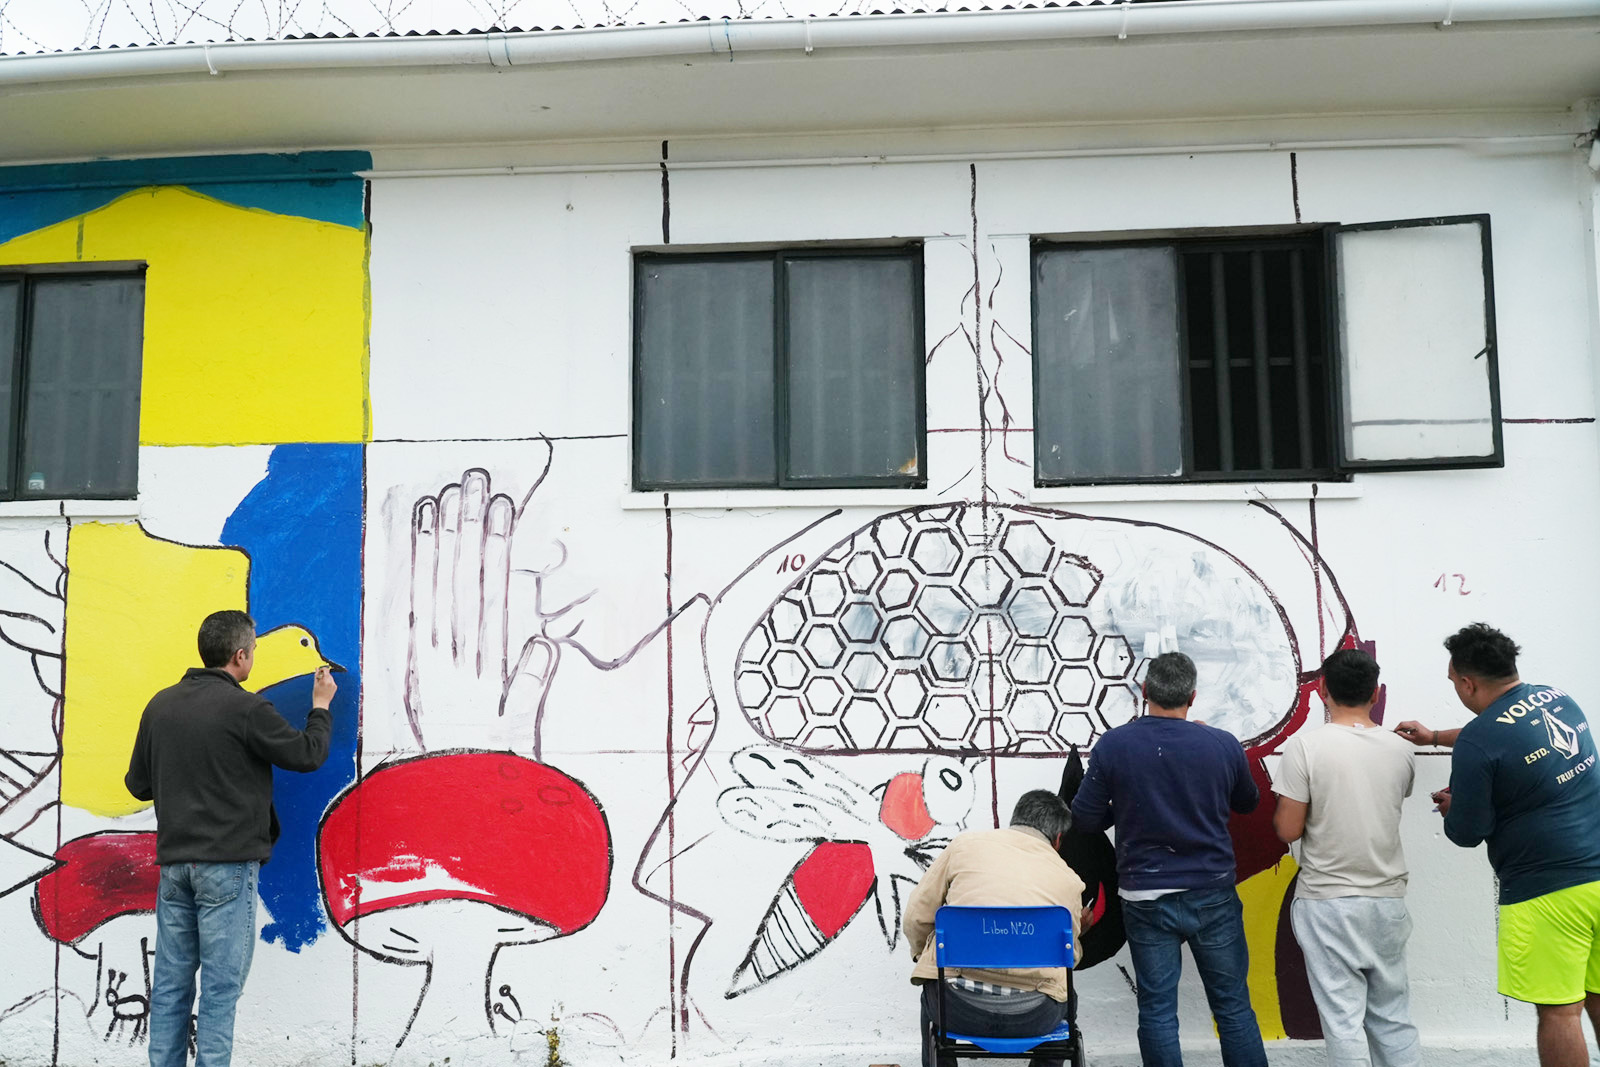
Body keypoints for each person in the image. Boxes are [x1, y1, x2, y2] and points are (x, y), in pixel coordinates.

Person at [125, 610, 337, 1067]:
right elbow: (307, 754)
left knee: (170, 987)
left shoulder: (160, 706)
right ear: (239, 656)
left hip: (175, 867)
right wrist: (320, 707)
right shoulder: (247, 709)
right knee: (220, 990)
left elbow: (138, 785)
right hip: (227, 868)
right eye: (254, 650)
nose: (254, 656)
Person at [1394, 623, 1600, 1067]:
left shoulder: (1479, 741)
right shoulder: (1559, 699)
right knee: (1599, 996)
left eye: (1454, 682)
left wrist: (1454, 806)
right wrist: (1435, 737)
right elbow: (1510, 734)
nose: (1456, 689)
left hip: (1547, 893)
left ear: (1468, 683)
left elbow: (1468, 832)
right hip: (1597, 875)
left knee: (1561, 1012)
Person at [1071, 651, 1267, 1067]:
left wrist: (1124, 804)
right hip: (1212, 893)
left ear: (1145, 692)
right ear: (1192, 697)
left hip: (1144, 896)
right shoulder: (1221, 743)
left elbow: (1084, 817)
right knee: (1233, 1007)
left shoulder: (1115, 745)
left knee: (1158, 1012)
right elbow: (1247, 802)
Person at [1273, 648, 1421, 1067]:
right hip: (1387, 900)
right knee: (1393, 1018)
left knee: (1343, 1022)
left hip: (1328, 901)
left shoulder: (1305, 748)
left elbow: (1288, 830)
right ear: (1375, 693)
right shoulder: (1400, 750)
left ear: (1322, 690)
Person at [903, 790, 1086, 1067]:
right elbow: (1069, 956)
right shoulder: (1069, 880)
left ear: (1014, 820)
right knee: (1066, 997)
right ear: (1058, 839)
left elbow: (916, 917)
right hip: (1035, 1017)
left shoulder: (964, 846)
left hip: (955, 1009)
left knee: (932, 988)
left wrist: (923, 956)